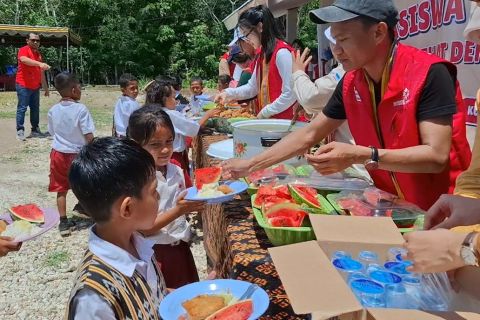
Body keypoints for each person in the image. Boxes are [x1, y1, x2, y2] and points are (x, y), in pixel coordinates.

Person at [222, 0, 471, 211]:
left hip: (443, 210)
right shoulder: (352, 81)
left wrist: (364, 155)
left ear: (379, 32)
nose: (336, 50)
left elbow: (435, 156)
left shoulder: (429, 73)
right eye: (333, 39)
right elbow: (309, 133)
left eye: (344, 39)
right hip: (392, 207)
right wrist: (251, 164)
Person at [402, 0, 480, 274]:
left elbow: (436, 155)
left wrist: (467, 246)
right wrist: (471, 205)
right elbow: (475, 179)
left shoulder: (431, 72)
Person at [66, 137, 168, 320]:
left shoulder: (139, 245)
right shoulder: (93, 298)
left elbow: (154, 299)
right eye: (153, 191)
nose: (159, 196)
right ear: (127, 208)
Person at [128, 106, 204, 288]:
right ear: (135, 145)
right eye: (155, 144)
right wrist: (179, 210)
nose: (165, 150)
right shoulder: (136, 180)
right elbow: (144, 229)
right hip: (154, 254)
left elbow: (192, 195)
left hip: (180, 248)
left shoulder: (176, 169)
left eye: (169, 141)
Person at [291, 28, 369, 180]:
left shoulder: (346, 72)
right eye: (335, 42)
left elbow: (311, 98)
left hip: (357, 170)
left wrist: (298, 72)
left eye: (343, 40)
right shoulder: (349, 73)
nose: (337, 50)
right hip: (349, 165)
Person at [215, 5, 297, 120]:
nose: (247, 41)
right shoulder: (261, 55)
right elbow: (252, 88)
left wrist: (266, 111)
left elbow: (290, 93)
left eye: (246, 34)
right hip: (271, 125)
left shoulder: (282, 53)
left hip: (285, 124)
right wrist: (228, 93)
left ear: (260, 27)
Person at [145, 79, 219, 187]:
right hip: (174, 157)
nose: (176, 101)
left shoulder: (153, 113)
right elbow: (193, 129)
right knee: (180, 186)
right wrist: (207, 115)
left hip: (160, 157)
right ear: (164, 99)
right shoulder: (171, 114)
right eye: (173, 98)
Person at [48, 72, 95, 237]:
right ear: (74, 90)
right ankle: (84, 208)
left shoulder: (53, 110)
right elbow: (88, 135)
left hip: (58, 154)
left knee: (61, 189)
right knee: (85, 184)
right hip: (78, 154)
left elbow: (52, 132)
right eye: (80, 87)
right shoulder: (81, 109)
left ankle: (63, 223)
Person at [15, 33, 51, 141]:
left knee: (35, 109)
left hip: (35, 87)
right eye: (33, 40)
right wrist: (39, 64)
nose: (36, 42)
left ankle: (35, 130)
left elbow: (41, 74)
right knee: (22, 108)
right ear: (27, 40)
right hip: (23, 85)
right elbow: (24, 60)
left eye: (38, 40)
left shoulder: (38, 55)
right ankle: (20, 131)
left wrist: (46, 88)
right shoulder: (24, 49)